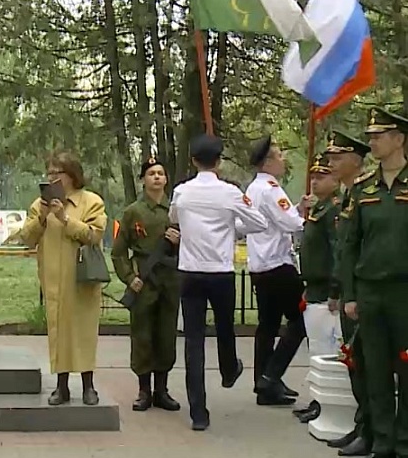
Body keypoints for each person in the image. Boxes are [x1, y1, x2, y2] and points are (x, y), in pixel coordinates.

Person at [170, 134, 267, 431]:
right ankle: (228, 368)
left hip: (190, 271)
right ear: (219, 161)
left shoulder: (182, 192)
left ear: (193, 161)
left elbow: (174, 217)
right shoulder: (230, 193)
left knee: (194, 342)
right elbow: (259, 223)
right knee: (226, 326)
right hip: (220, 271)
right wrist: (232, 228)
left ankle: (198, 412)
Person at [337, 108, 408, 458]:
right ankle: (382, 444)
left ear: (399, 139)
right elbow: (350, 246)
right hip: (370, 291)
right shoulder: (364, 188)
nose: (372, 141)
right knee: (376, 370)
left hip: (404, 292)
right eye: (371, 136)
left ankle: (405, 444)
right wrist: (349, 294)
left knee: (407, 369)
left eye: (380, 135)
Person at [14, 151, 107, 406]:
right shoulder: (38, 205)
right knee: (58, 332)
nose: (52, 178)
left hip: (81, 279)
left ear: (72, 175)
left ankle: (88, 385)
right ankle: (61, 386)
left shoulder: (91, 202)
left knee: (84, 331)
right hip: (53, 280)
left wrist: (65, 218)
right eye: (49, 174)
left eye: (58, 173)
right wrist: (43, 217)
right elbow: (27, 238)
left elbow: (94, 236)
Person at [111, 157, 181, 412]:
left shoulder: (175, 210)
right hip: (144, 279)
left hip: (169, 279)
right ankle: (144, 391)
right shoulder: (133, 212)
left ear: (166, 179)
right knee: (142, 335)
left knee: (166, 333)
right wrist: (130, 278)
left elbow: (193, 247)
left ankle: (162, 390)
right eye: (151, 173)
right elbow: (119, 252)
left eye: (160, 173)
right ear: (143, 179)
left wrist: (179, 240)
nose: (156, 177)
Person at [244, 136, 307, 406]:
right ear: (268, 162)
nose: (283, 161)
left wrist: (296, 210)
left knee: (267, 325)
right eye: (279, 156)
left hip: (260, 265)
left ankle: (264, 384)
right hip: (278, 264)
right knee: (301, 321)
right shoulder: (271, 189)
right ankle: (271, 375)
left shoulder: (254, 189)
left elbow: (275, 221)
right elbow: (293, 224)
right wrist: (306, 213)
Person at [325, 130, 372, 458]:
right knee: (354, 362)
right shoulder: (347, 194)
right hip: (349, 289)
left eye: (337, 158)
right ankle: (361, 424)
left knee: (367, 364)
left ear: (355, 160)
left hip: (363, 290)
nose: (331, 163)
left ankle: (370, 429)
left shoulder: (363, 192)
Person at [293, 152, 342, 425]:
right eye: (313, 176)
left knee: (326, 348)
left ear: (335, 180)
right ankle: (317, 399)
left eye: (322, 176)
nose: (315, 181)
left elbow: (337, 252)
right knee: (316, 349)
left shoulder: (333, 210)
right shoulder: (320, 209)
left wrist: (336, 288)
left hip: (325, 291)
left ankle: (324, 401)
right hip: (313, 287)